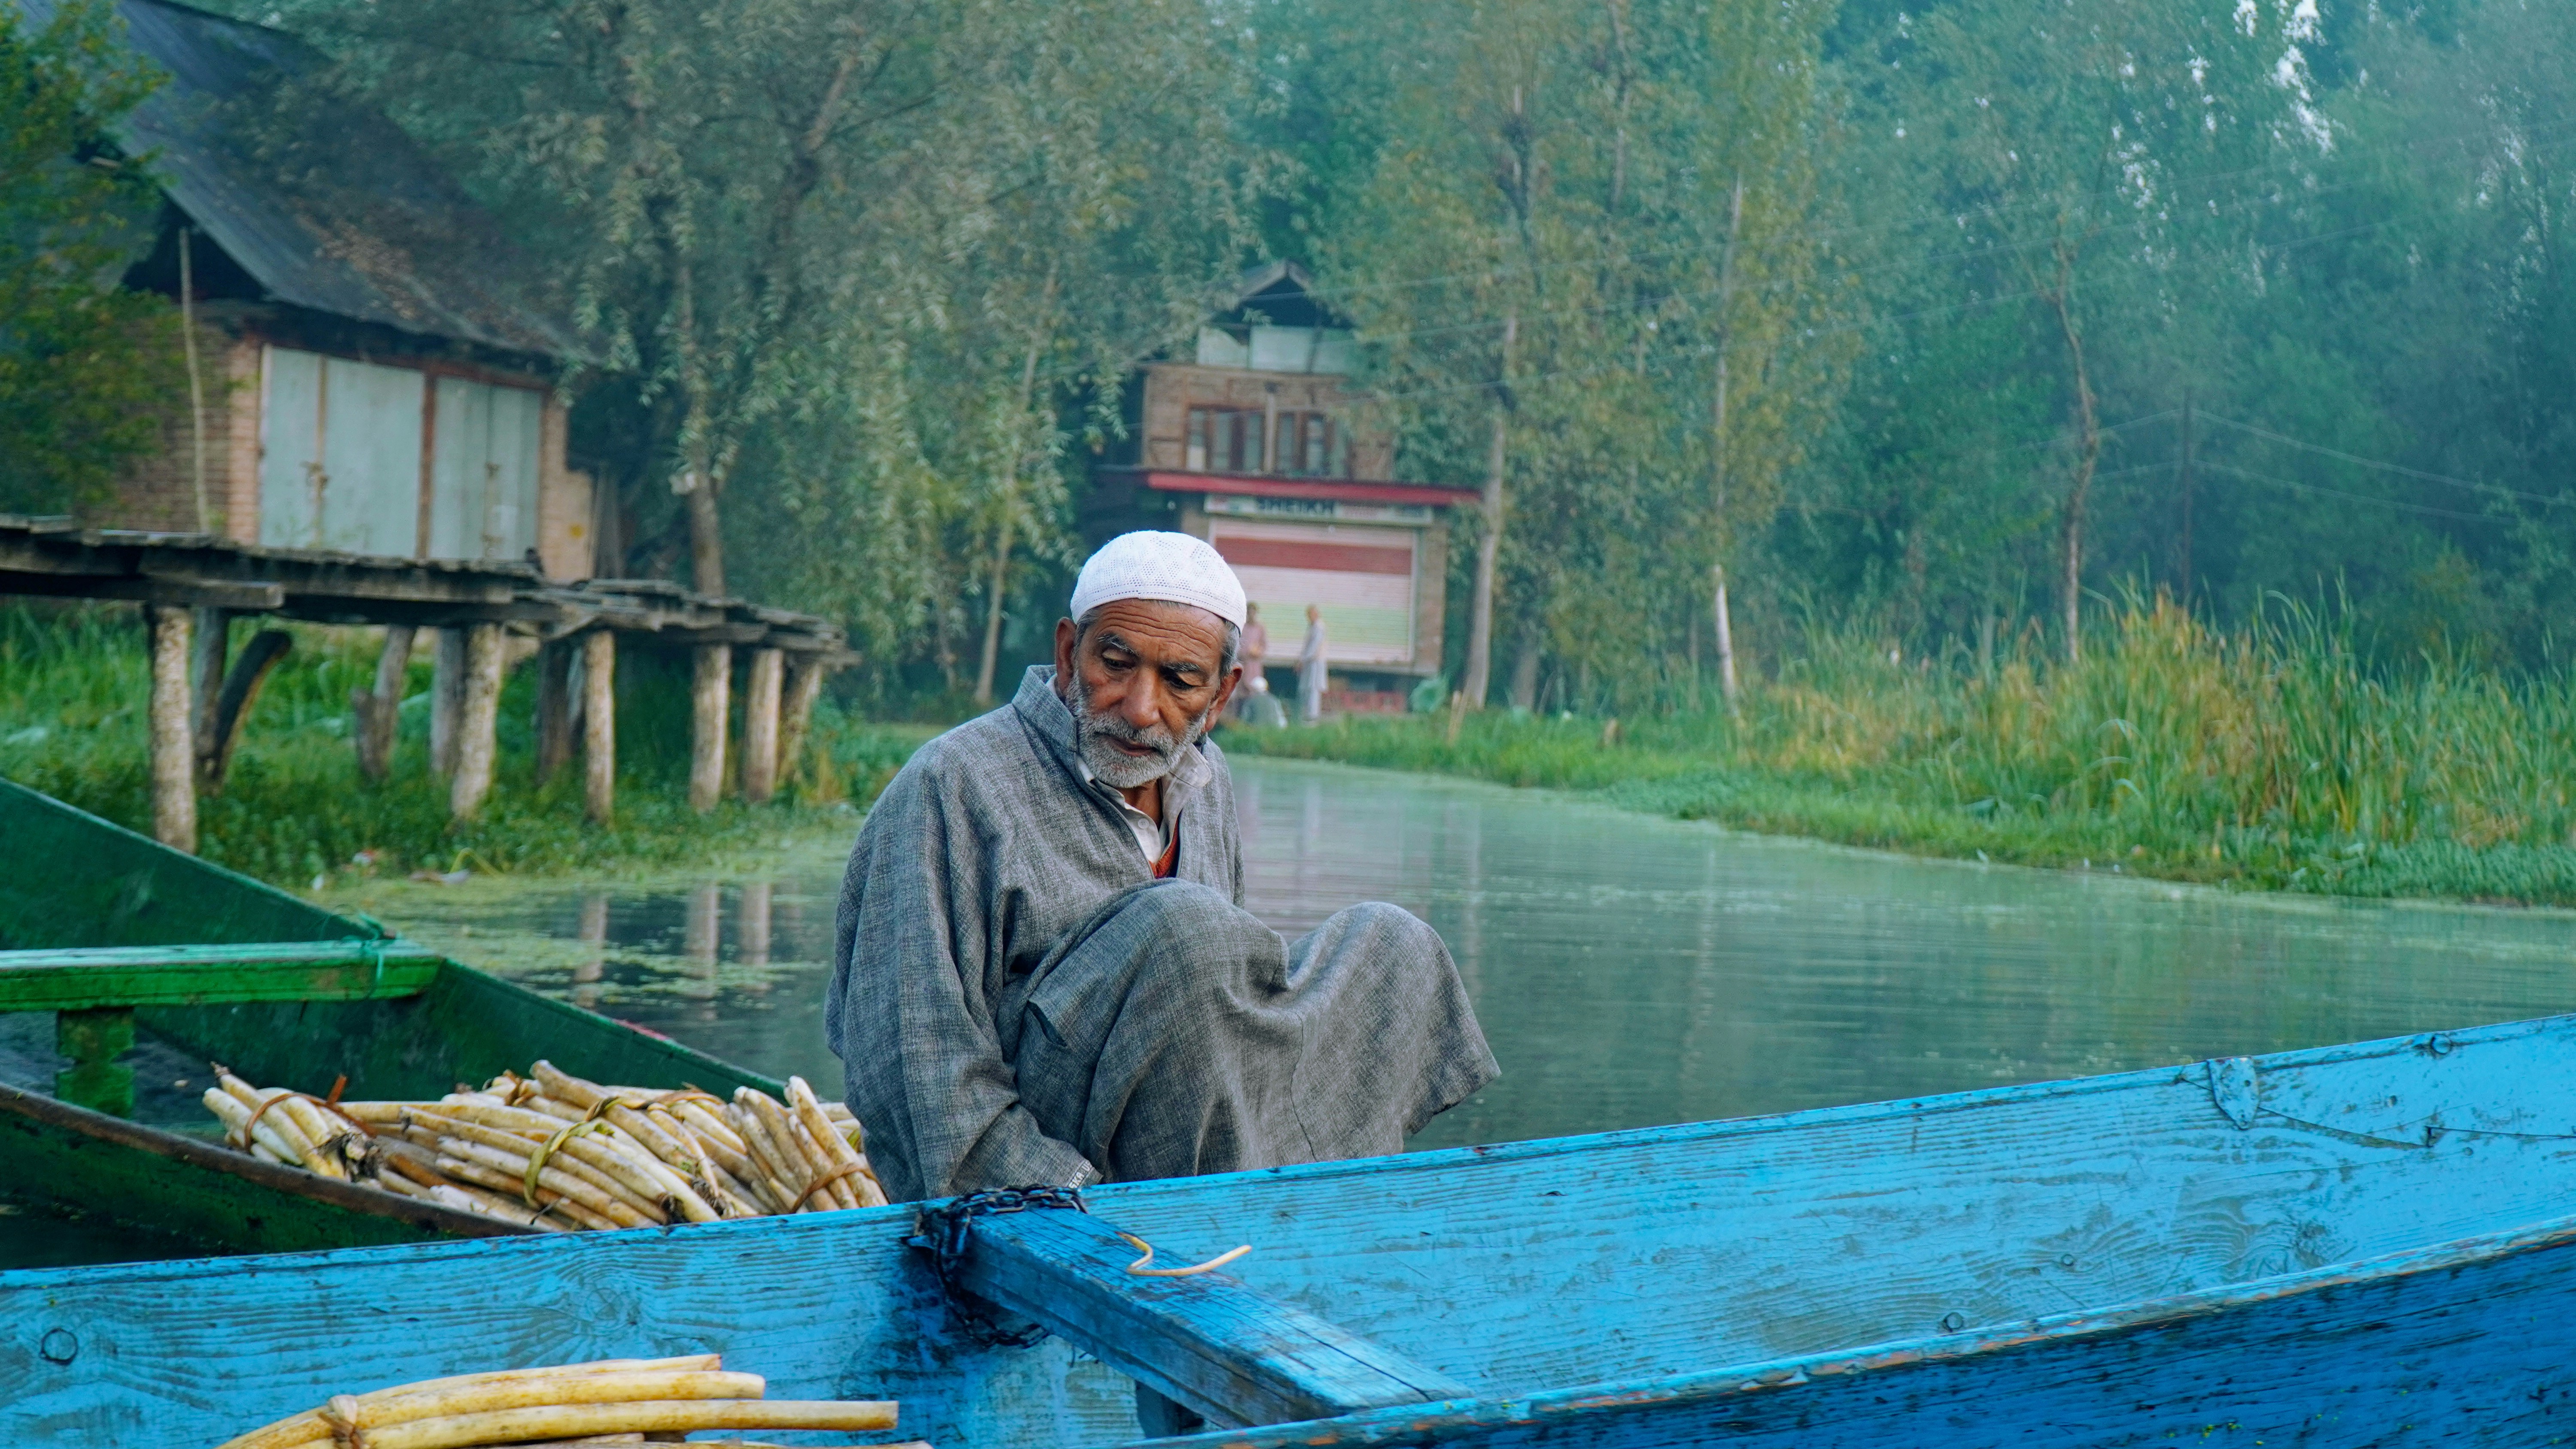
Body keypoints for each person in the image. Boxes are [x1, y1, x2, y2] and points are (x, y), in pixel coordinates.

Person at [825, 530, 1497, 1207]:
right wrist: (1074, 1201)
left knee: (1392, 945)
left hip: (1188, 1136)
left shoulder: (1206, 780)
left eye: (1180, 681)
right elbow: (912, 1062)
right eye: (1115, 664)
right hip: (1052, 1178)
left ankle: (1300, 1201)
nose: (1141, 707)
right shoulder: (954, 783)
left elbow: (1222, 1008)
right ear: (1067, 653)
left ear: (1222, 694)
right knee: (1186, 927)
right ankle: (1207, 1206)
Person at [1232, 600, 1274, 725]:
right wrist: (1244, 653)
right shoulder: (1242, 627)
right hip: (1242, 663)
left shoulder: (1260, 628)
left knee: (1254, 688)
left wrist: (1257, 652)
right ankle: (1241, 718)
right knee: (1241, 692)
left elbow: (1264, 645)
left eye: (1253, 613)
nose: (1251, 615)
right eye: (1249, 613)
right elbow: (1236, 644)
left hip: (1254, 665)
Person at [1298, 603, 1328, 724]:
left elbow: (1314, 647)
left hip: (1315, 662)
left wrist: (1303, 659)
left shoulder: (1319, 627)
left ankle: (1313, 717)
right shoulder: (1312, 626)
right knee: (1308, 688)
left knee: (1313, 688)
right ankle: (1309, 715)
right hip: (1310, 662)